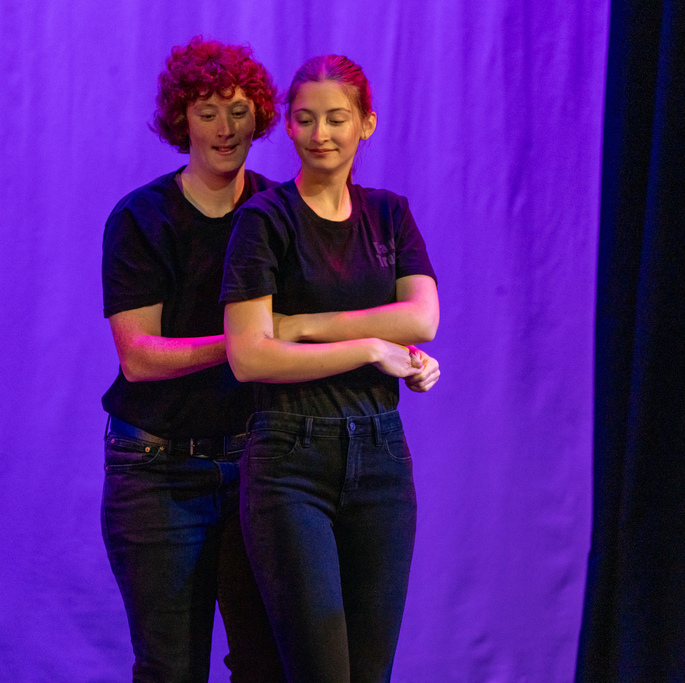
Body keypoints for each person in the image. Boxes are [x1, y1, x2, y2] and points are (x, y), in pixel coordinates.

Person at [220, 54, 441, 683]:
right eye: (307, 119)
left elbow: (422, 319)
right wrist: (373, 347)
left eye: (337, 119)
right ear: (287, 127)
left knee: (370, 672)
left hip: (380, 456)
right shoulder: (265, 220)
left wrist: (309, 326)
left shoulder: (389, 214)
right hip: (291, 458)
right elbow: (250, 355)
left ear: (365, 124)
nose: (322, 134)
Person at [100, 37, 283, 682]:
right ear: (182, 120)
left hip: (261, 463)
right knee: (173, 668)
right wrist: (247, 347)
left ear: (260, 115)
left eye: (238, 110)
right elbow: (139, 359)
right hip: (158, 469)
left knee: (267, 663)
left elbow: (317, 324)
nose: (225, 128)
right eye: (207, 111)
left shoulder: (277, 211)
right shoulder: (142, 217)